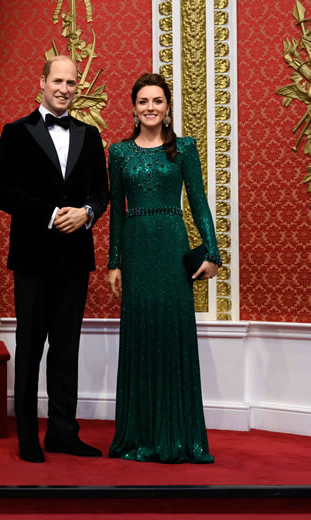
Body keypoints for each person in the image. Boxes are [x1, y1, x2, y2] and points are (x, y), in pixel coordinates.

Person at [0, 55, 110, 463]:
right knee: (29, 347)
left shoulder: (90, 135)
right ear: (42, 81)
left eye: (72, 83)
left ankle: (63, 432)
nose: (64, 88)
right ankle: (27, 435)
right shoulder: (15, 132)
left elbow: (102, 192)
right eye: (57, 81)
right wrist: (50, 214)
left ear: (78, 88)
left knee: (66, 348)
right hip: (32, 258)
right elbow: (2, 193)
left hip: (75, 259)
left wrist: (87, 212)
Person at [107, 73, 220, 463]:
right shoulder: (119, 153)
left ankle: (177, 437)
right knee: (141, 334)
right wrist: (114, 262)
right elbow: (117, 215)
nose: (150, 108)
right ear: (134, 108)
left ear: (167, 107)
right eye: (143, 101)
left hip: (172, 247)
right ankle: (139, 437)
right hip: (136, 250)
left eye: (157, 101)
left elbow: (200, 203)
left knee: (173, 334)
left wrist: (213, 253)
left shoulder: (184, 149)